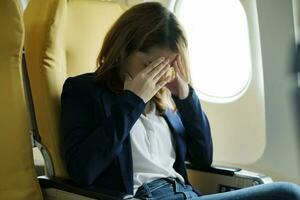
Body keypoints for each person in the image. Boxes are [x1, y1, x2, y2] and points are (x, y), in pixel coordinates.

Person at [61, 2, 300, 199]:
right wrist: (131, 101)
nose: (157, 77)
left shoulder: (164, 101)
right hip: (144, 196)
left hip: (185, 194)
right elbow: (84, 171)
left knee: (288, 194)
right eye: (149, 66)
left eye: (166, 67)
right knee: (286, 194)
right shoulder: (83, 91)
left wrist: (185, 96)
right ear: (122, 51)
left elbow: (203, 158)